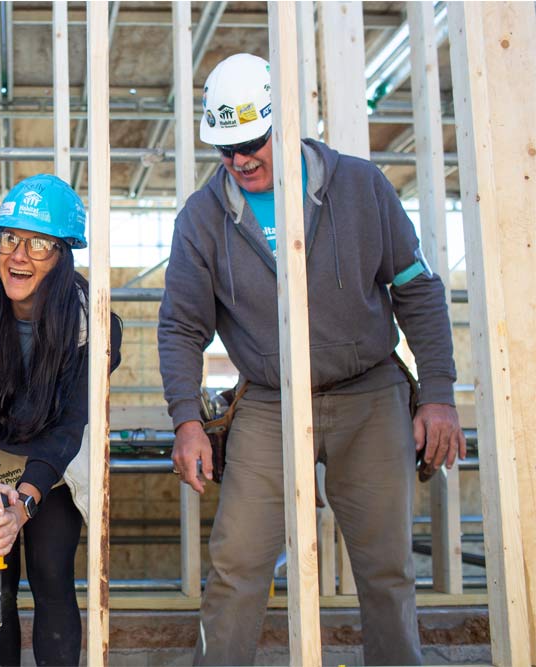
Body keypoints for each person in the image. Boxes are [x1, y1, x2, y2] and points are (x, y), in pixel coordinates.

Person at [158, 53, 466, 667]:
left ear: (285, 121)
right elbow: (182, 325)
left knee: (386, 570)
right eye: (225, 149)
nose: (240, 160)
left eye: (251, 141)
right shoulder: (202, 217)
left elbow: (416, 288)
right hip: (269, 404)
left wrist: (437, 392)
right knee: (236, 565)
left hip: (369, 394)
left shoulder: (360, 186)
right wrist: (186, 419)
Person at [0, 174, 122, 667]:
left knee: (53, 573)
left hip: (49, 456)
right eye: (10, 237)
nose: (19, 255)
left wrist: (25, 503)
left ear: (64, 254)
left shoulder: (92, 325)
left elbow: (71, 424)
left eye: (39, 244)